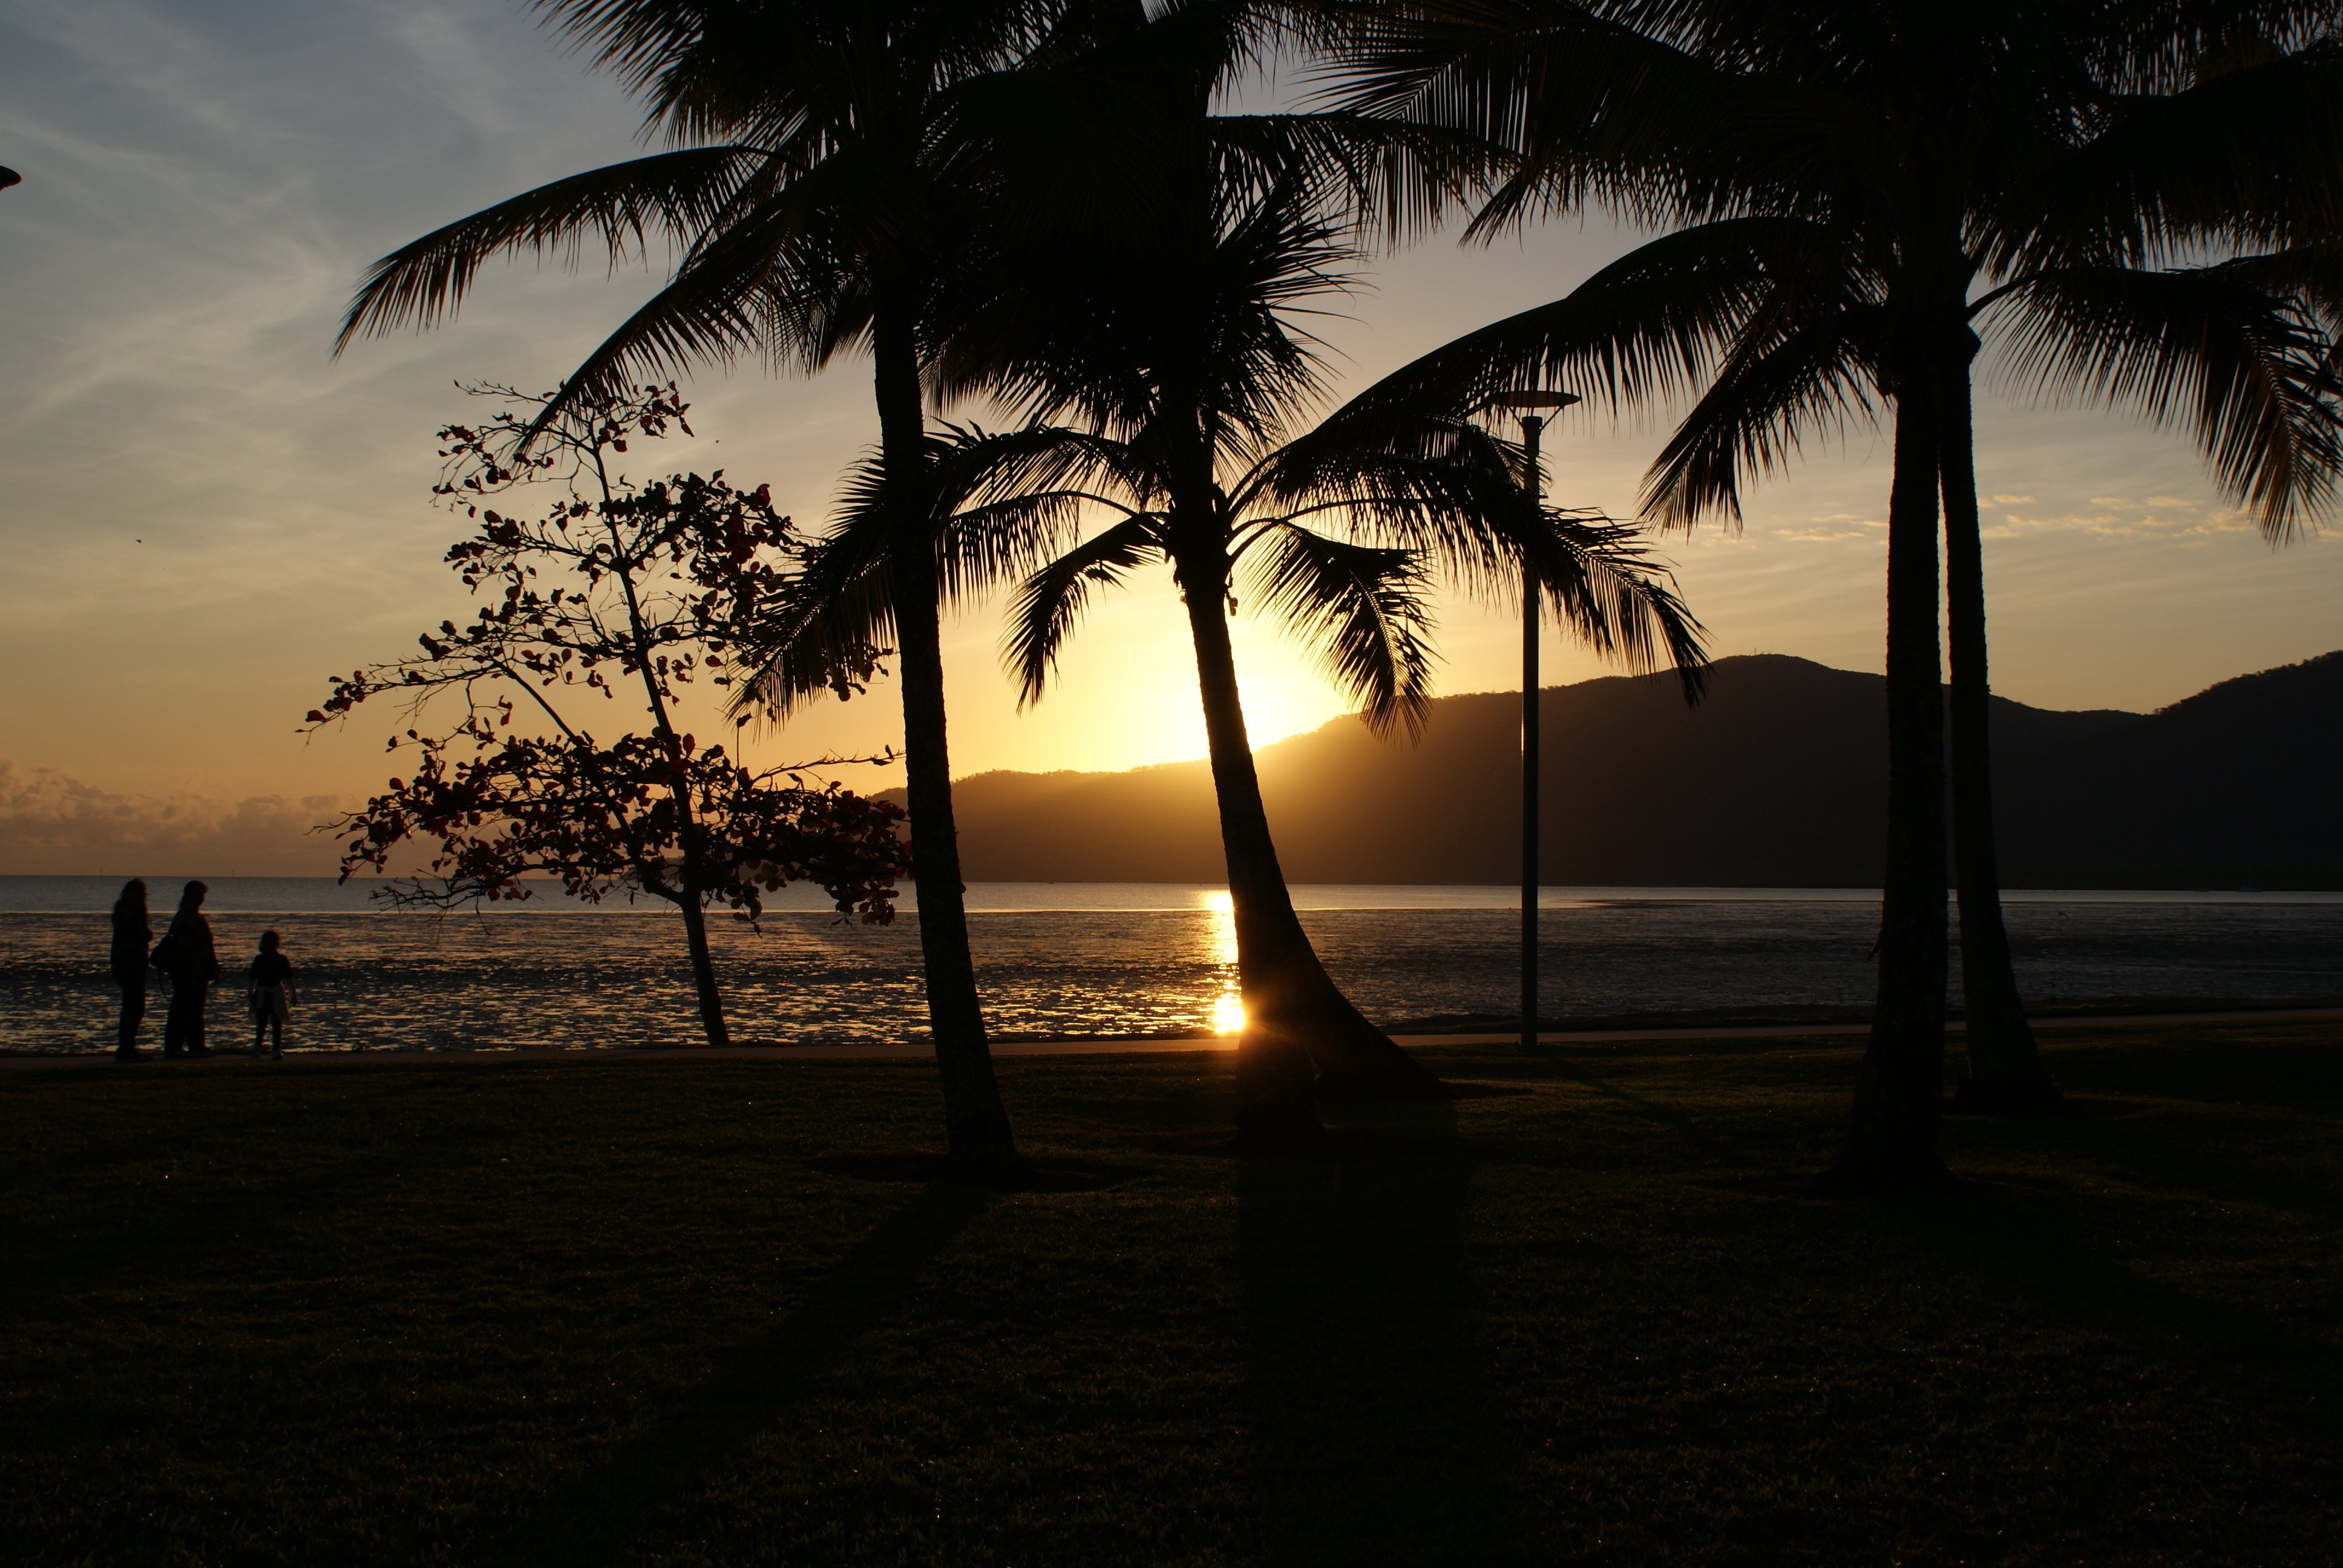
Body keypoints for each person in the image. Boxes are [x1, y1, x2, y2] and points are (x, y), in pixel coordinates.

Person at [152, 880, 220, 1058]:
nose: (199, 898)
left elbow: (205, 946)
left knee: (194, 1008)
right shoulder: (185, 917)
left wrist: (212, 966)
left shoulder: (194, 916)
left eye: (202, 894)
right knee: (183, 1007)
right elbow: (187, 946)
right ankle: (175, 1046)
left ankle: (195, 1044)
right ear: (188, 895)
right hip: (187, 970)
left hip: (197, 969)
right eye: (196, 894)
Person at [108, 879, 152, 1059]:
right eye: (136, 894)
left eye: (142, 895)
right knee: (132, 1006)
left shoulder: (135, 912)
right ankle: (126, 1048)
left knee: (135, 1005)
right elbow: (132, 937)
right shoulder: (126, 913)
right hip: (127, 964)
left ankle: (128, 1046)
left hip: (135, 963)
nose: (140, 898)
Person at [247, 931, 296, 1060]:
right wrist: (250, 993)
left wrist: (293, 994)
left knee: (275, 1022)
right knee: (263, 1022)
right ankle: (259, 1048)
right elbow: (252, 978)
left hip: (275, 994)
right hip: (264, 993)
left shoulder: (279, 960)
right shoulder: (261, 959)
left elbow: (287, 979)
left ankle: (274, 1049)